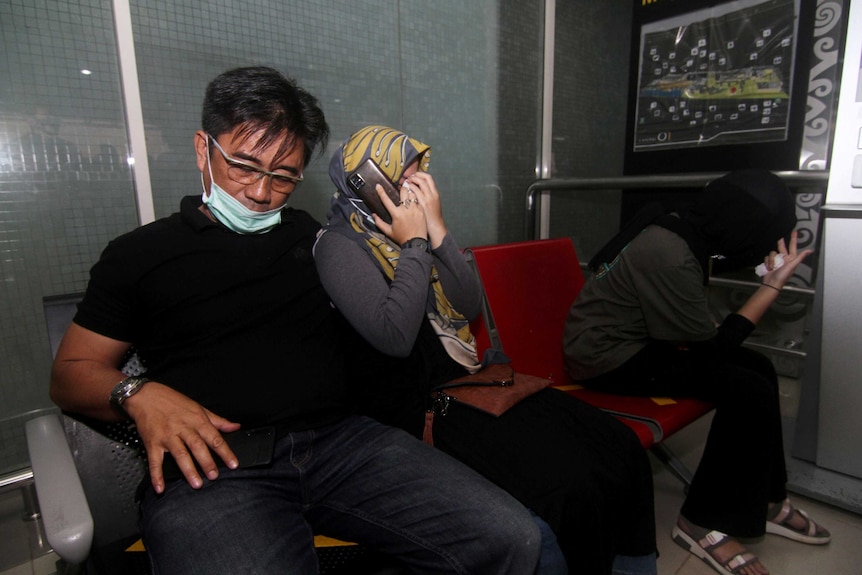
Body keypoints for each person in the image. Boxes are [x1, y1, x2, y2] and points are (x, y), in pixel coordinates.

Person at [48, 67, 544, 575]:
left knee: (512, 538)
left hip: (345, 445)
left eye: (284, 176)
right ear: (203, 149)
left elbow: (429, 307)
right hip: (217, 468)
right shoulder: (139, 255)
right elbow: (70, 374)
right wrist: (139, 394)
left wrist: (427, 230)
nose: (261, 193)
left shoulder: (314, 238)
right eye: (243, 166)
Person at [314, 125, 658, 575]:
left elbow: (467, 302)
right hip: (416, 402)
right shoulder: (339, 245)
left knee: (617, 446)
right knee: (567, 485)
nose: (416, 194)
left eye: (422, 182)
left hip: (468, 379)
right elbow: (394, 337)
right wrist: (415, 244)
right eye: (407, 182)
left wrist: (436, 230)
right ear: (368, 183)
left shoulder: (413, 227)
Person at [562, 169, 831, 575]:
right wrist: (772, 285)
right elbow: (714, 350)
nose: (763, 246)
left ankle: (768, 500)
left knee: (758, 366)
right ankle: (701, 520)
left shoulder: (686, 231)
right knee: (743, 387)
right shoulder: (669, 251)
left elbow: (703, 340)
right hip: (604, 358)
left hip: (640, 341)